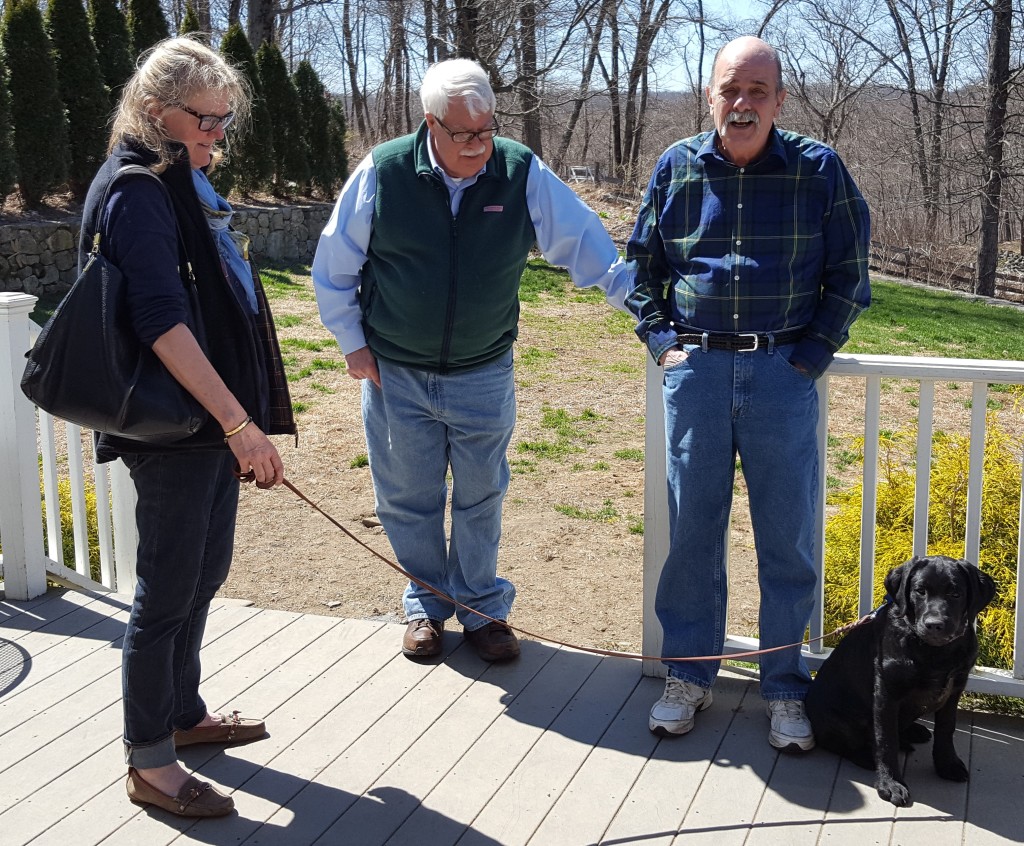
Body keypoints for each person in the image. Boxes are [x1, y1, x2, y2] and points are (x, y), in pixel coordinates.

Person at [313, 58, 631, 663]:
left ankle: (483, 610)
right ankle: (426, 605)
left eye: (487, 130)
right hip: (396, 372)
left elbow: (587, 246)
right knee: (408, 497)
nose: (480, 146)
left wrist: (640, 304)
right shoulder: (383, 173)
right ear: (430, 124)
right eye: (464, 134)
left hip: (484, 371)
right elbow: (334, 267)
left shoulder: (519, 171)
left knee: (481, 495)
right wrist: (352, 343)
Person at [626, 35, 870, 751]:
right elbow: (640, 266)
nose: (743, 103)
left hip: (781, 372)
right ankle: (690, 675)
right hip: (696, 371)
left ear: (780, 100)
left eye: (758, 91)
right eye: (731, 89)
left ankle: (785, 686)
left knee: (786, 539)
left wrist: (810, 357)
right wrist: (664, 344)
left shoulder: (818, 170)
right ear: (711, 94)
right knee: (692, 535)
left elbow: (851, 273)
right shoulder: (676, 168)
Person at [79, 37, 295, 816]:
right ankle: (149, 761)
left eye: (226, 119)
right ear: (153, 110)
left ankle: (183, 711)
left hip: (203, 421)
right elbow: (164, 324)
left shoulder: (181, 182)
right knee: (165, 594)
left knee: (203, 574)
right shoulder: (138, 190)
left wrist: (231, 421)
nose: (219, 135)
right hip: (171, 427)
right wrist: (240, 424)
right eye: (206, 118)